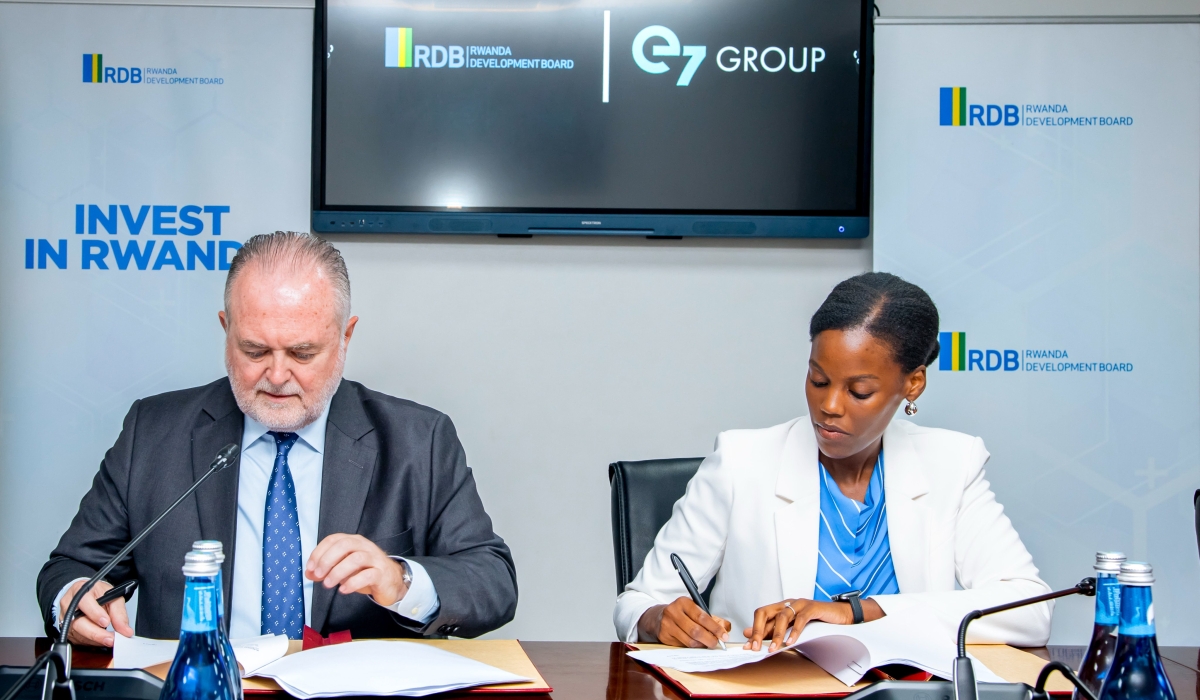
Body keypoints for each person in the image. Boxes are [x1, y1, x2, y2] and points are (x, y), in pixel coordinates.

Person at [38, 231, 517, 646]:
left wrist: (401, 579)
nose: (277, 375)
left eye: (303, 353)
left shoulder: (419, 440)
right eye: (254, 350)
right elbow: (71, 568)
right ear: (226, 330)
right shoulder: (154, 431)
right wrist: (74, 602)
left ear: (345, 338)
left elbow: (493, 580)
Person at [613, 272, 1051, 652]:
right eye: (818, 380)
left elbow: (1029, 610)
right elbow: (637, 603)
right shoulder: (741, 462)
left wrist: (860, 612)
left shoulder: (952, 463)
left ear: (913, 384)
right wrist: (658, 619)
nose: (830, 406)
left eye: (859, 391)